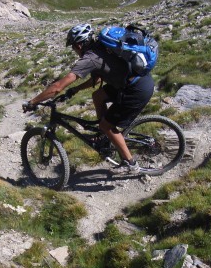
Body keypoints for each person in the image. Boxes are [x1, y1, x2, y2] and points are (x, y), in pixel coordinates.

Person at [23, 23, 154, 173]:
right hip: (133, 83)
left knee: (106, 126)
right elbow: (97, 79)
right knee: (97, 96)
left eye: (73, 47)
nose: (74, 50)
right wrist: (74, 90)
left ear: (79, 44)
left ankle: (130, 163)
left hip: (136, 89)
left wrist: (32, 102)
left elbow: (58, 87)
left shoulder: (90, 58)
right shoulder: (100, 47)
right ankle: (105, 136)